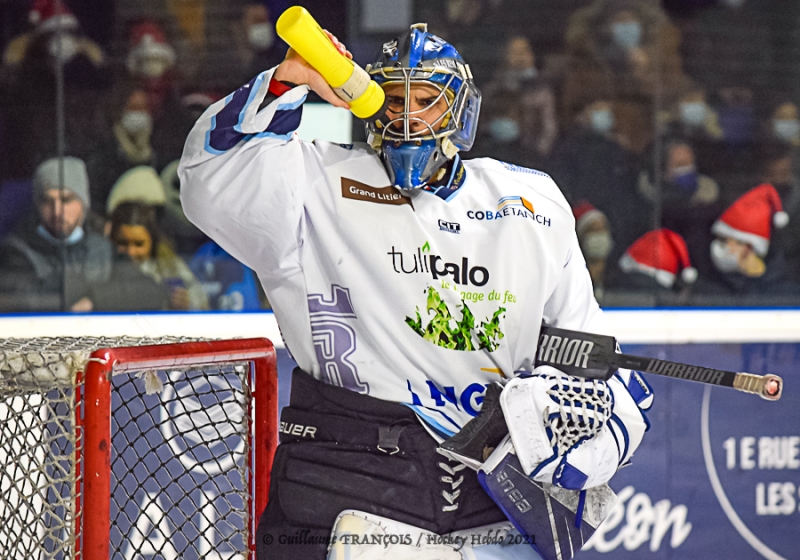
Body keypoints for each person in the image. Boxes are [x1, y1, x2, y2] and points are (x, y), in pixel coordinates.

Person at [179, 23, 652, 559]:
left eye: (426, 100)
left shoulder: (531, 202)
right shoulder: (312, 180)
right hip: (349, 478)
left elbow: (586, 349)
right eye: (395, 98)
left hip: (494, 499)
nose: (406, 117)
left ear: (461, 112)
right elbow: (208, 176)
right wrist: (286, 85)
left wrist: (593, 412)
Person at [0, 157, 167, 312]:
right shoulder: (16, 251)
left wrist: (96, 299)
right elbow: (21, 299)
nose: (57, 211)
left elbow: (150, 290)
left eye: (66, 200)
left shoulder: (104, 249)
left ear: (83, 203)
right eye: (47, 201)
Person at [107, 201, 209, 311]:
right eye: (123, 243)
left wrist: (188, 302)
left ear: (152, 241)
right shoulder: (103, 266)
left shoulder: (170, 265)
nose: (131, 252)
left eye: (139, 244)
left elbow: (201, 301)